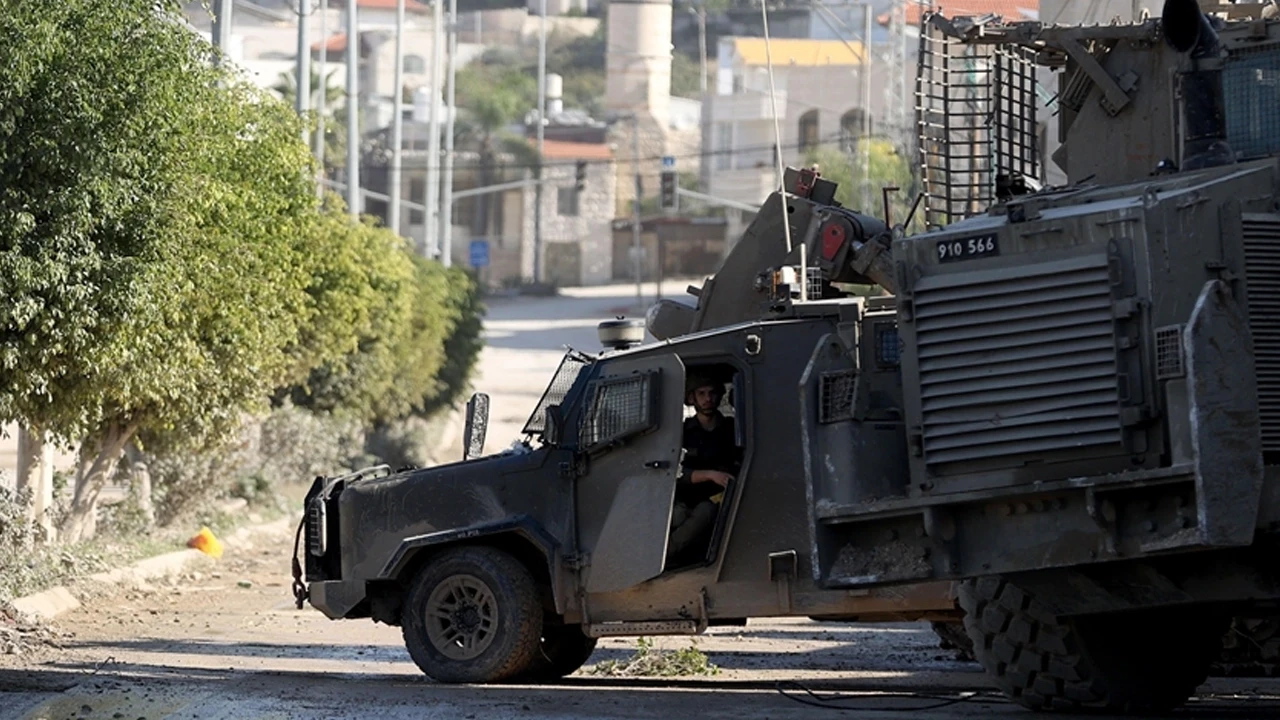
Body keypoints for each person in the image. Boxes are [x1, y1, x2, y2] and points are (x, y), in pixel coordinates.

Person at [667, 371, 742, 565]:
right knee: (677, 516)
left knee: (706, 512)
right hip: (685, 500)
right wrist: (709, 475)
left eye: (711, 393)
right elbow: (674, 474)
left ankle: (666, 557)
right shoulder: (682, 432)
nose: (707, 399)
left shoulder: (733, 429)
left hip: (720, 500)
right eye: (701, 393)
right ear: (692, 398)